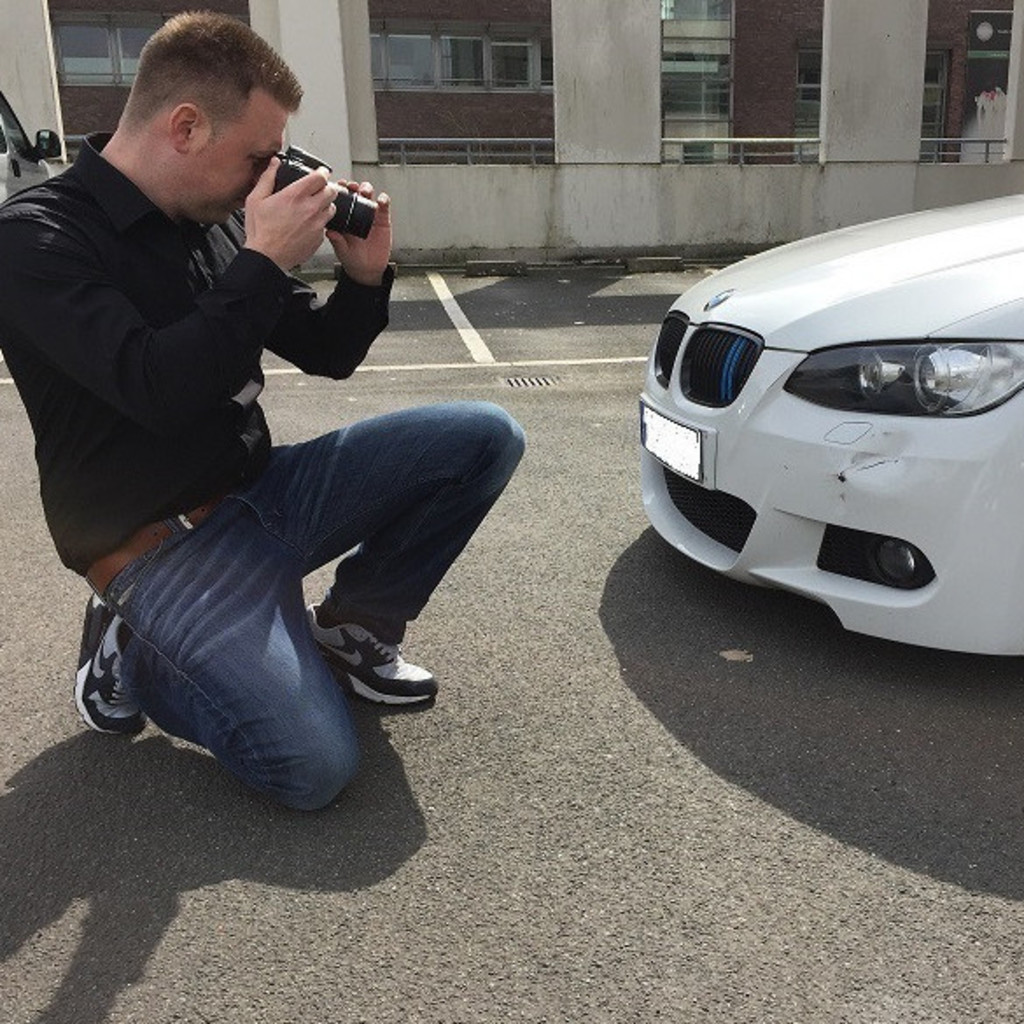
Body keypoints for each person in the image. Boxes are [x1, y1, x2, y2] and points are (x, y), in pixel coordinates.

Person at [0, 12, 524, 810]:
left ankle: (349, 630)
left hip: (264, 493)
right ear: (185, 126)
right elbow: (155, 390)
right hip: (158, 546)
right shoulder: (35, 239)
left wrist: (365, 277)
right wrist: (263, 257)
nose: (266, 176)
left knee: (486, 437)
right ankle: (136, 647)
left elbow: (326, 353)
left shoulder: (212, 223)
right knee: (310, 768)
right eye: (257, 156)